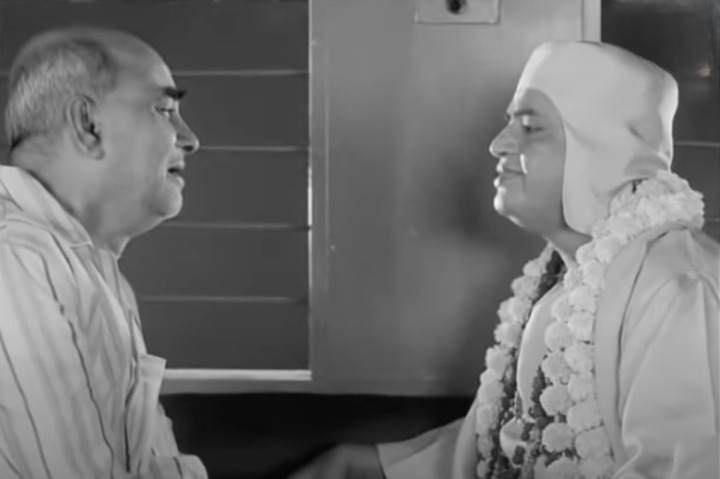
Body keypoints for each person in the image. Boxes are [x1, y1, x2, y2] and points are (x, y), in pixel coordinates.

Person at [288, 41, 719, 479]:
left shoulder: (677, 288)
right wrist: (374, 466)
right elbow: (517, 441)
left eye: (530, 127)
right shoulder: (566, 281)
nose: (497, 145)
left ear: (604, 150)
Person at [0, 27, 207, 478]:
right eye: (165, 110)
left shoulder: (94, 272)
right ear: (88, 126)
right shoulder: (17, 261)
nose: (190, 139)